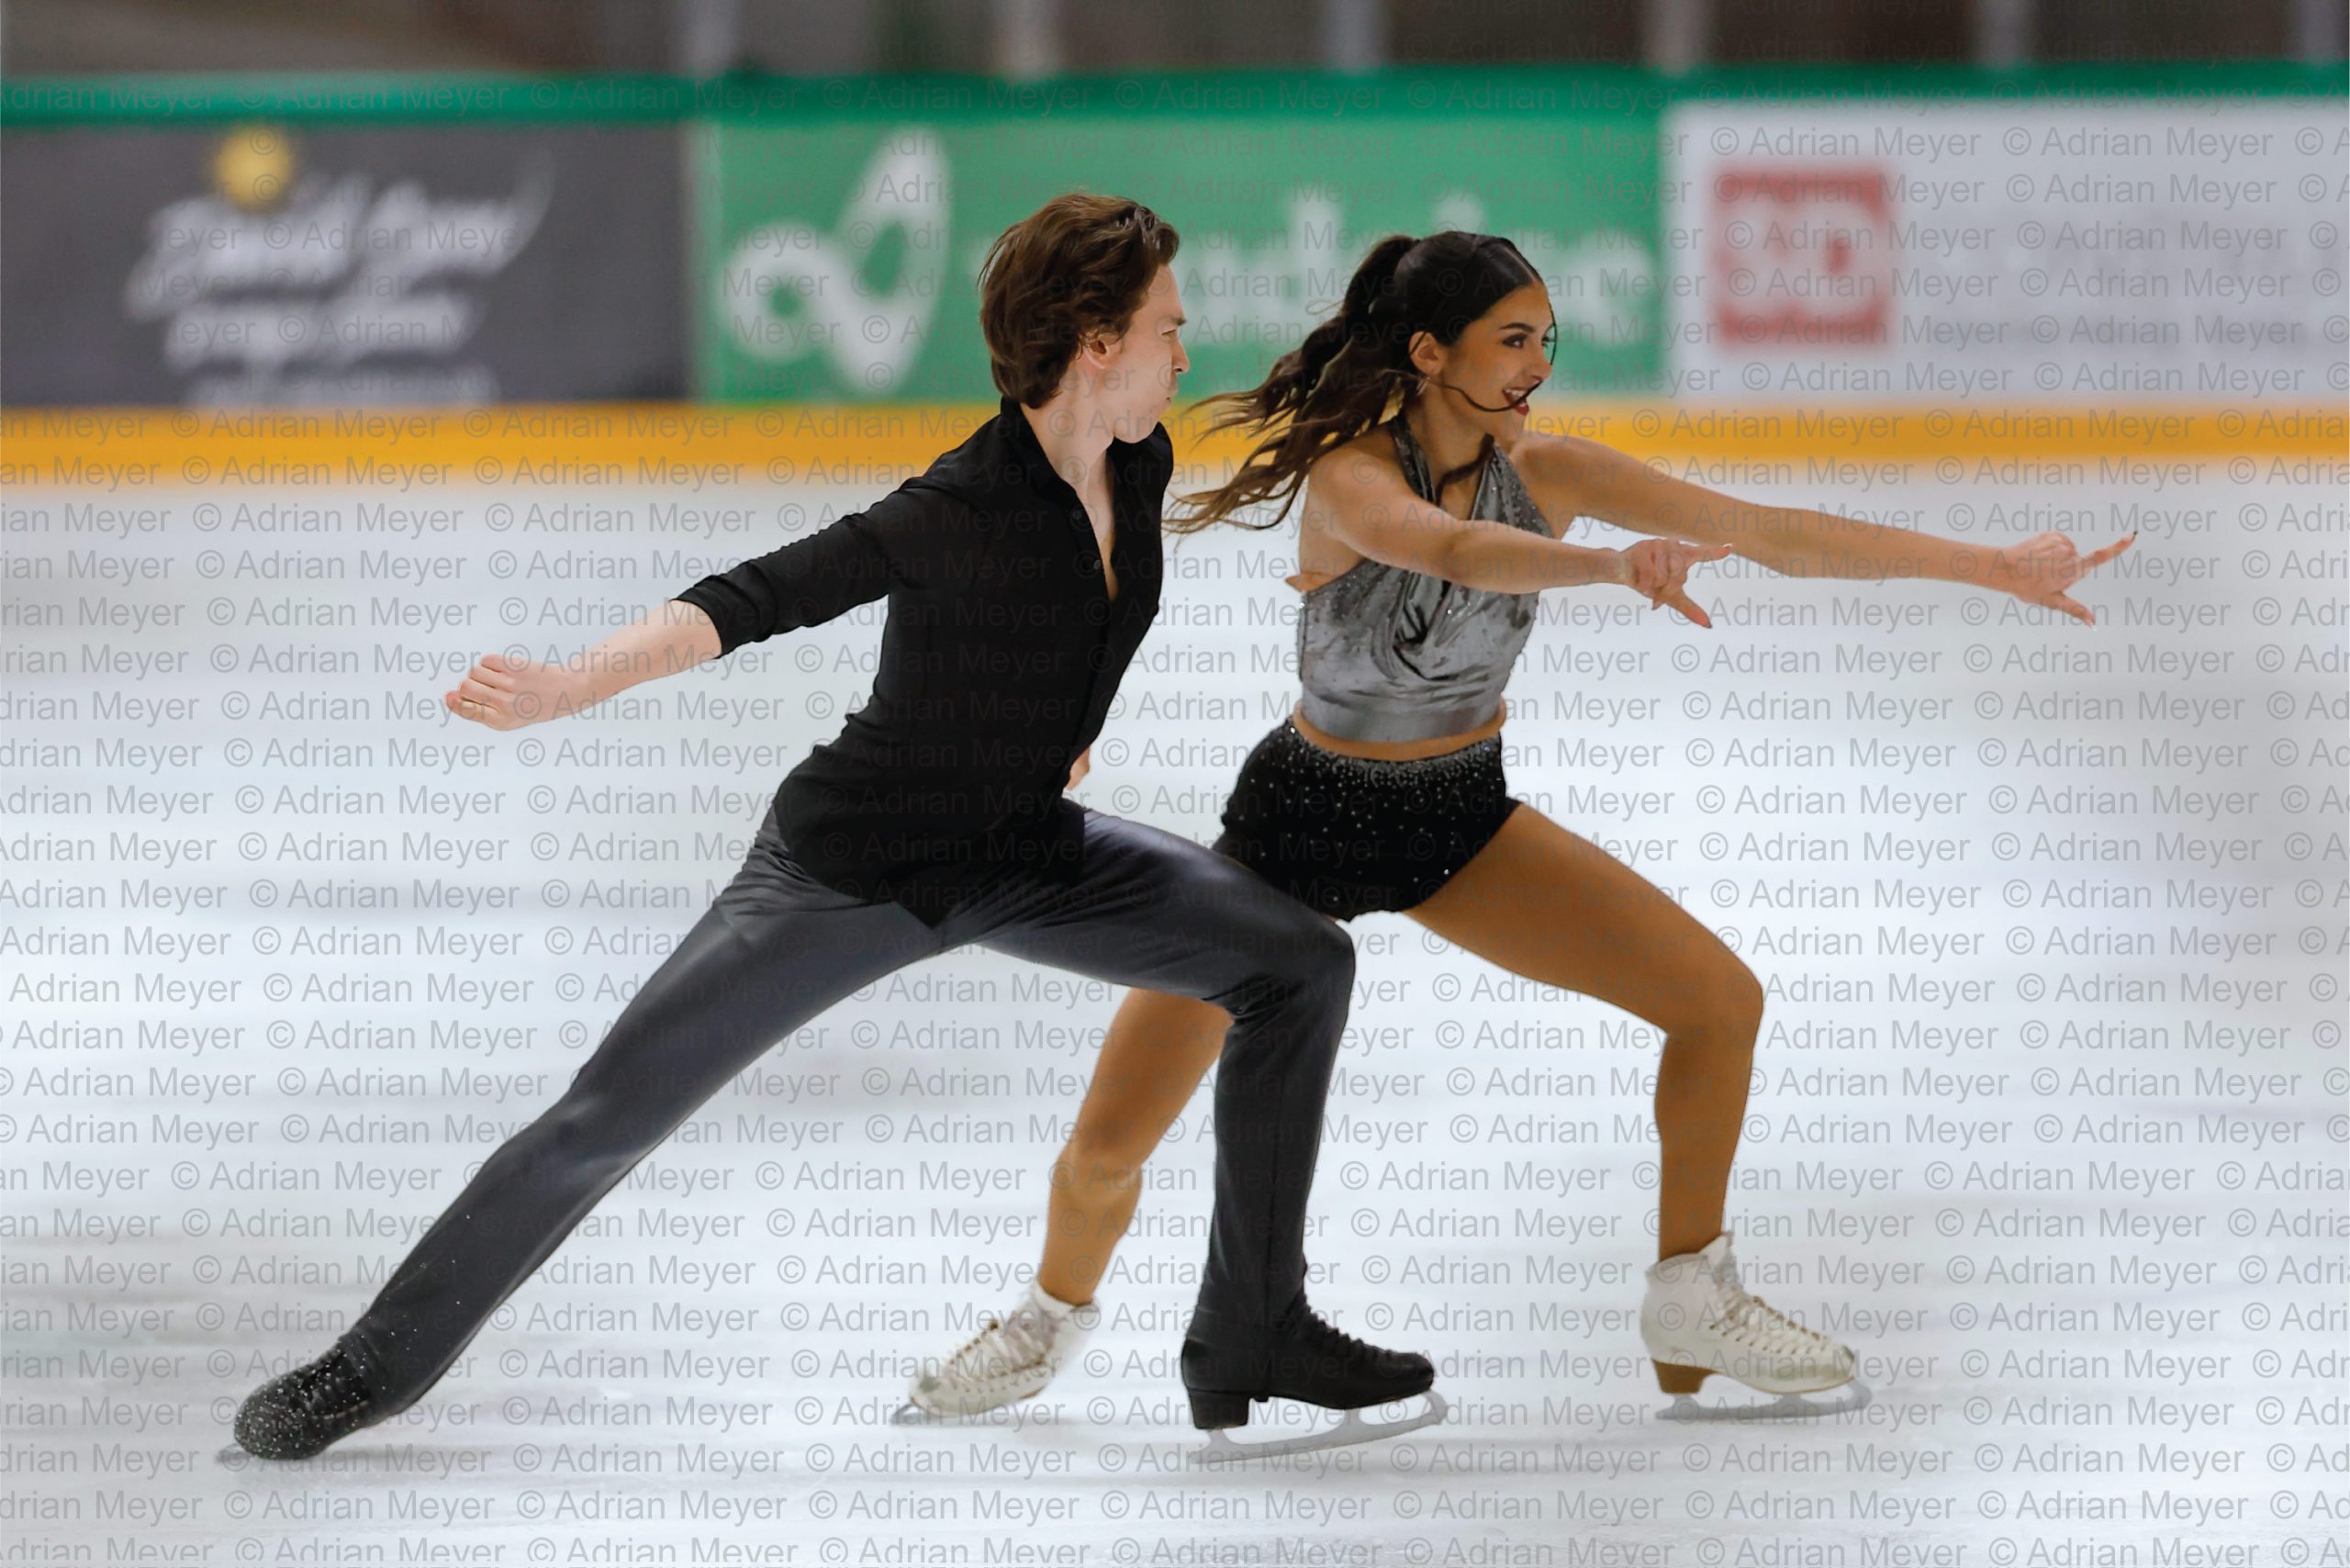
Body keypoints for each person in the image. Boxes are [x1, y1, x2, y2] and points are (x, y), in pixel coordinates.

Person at [230, 194, 1442, 1463]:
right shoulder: (956, 507)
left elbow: (1090, 622)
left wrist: (1057, 726)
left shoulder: (1135, 466)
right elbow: (752, 598)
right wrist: (568, 684)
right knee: (608, 1115)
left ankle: (1252, 1327)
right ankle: (364, 1370)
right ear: (1095, 342)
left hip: (1026, 855)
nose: (1183, 356)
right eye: (1165, 329)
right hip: (846, 875)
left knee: (1300, 962)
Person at [905, 229, 2132, 1424]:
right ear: (1430, 353)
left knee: (1718, 1003)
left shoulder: (1553, 472)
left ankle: (1692, 1295)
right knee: (1114, 1140)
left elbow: (1766, 532)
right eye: (1511, 340)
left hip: (1457, 818)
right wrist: (1608, 573)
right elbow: (1444, 548)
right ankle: (1044, 1320)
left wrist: (1990, 566)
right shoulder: (1349, 474)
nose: (1537, 365)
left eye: (1546, 337)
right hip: (1294, 833)